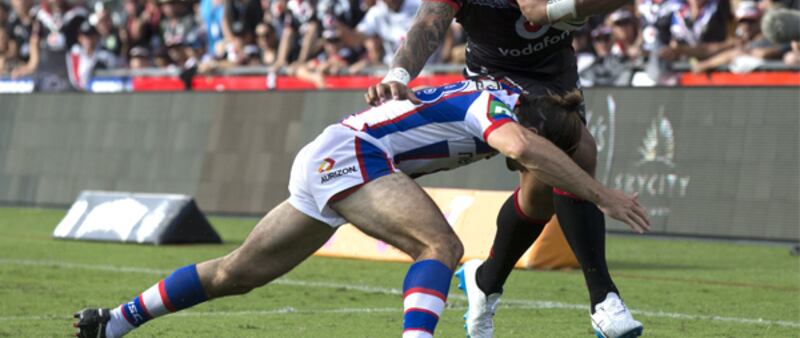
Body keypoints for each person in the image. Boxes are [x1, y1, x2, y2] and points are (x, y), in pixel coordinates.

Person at [74, 79, 650, 338]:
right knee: (441, 247)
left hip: (332, 154)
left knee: (236, 274)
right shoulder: (494, 107)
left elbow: (527, 158)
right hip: (351, 155)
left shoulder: (496, 98)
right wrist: (605, 196)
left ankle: (117, 320)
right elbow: (524, 148)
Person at [364, 0, 644, 338]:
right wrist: (398, 74)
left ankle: (486, 279)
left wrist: (550, 11)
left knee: (539, 195)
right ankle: (604, 301)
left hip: (557, 78)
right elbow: (427, 26)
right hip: (492, 84)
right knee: (579, 149)